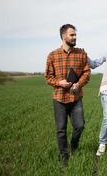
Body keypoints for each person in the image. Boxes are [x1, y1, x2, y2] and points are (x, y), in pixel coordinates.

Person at [45, 24, 91, 165]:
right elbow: (48, 76)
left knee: (79, 126)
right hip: (59, 98)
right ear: (63, 36)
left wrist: (79, 84)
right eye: (72, 35)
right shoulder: (52, 55)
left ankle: (74, 146)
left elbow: (87, 72)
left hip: (76, 97)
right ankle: (64, 155)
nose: (74, 37)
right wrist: (60, 83)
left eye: (75, 34)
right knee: (61, 130)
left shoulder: (81, 54)